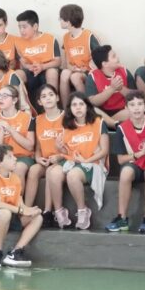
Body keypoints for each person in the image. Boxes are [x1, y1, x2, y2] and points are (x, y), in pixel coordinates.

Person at [46, 92, 109, 230]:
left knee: (73, 175)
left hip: (92, 163)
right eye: (74, 105)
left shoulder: (98, 122)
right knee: (53, 173)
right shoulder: (67, 125)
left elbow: (104, 150)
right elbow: (68, 152)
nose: (78, 107)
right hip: (73, 161)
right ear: (70, 108)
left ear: (87, 106)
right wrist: (60, 149)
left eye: (81, 104)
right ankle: (59, 212)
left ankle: (83, 211)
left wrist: (86, 160)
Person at [106, 90, 145, 234]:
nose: (136, 108)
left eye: (139, 104)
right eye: (132, 105)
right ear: (126, 108)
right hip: (136, 162)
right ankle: (121, 217)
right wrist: (137, 155)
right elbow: (120, 159)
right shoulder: (122, 128)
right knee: (125, 172)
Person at [25, 84, 64, 228]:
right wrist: (37, 158)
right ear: (39, 102)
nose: (48, 98)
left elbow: (73, 144)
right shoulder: (38, 120)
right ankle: (26, 210)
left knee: (50, 172)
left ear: (57, 98)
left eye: (51, 95)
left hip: (63, 159)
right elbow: (38, 147)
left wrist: (59, 156)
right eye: (44, 96)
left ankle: (48, 212)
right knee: (34, 170)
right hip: (46, 159)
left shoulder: (66, 117)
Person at [14, 10, 61, 111]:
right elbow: (23, 62)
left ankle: (53, 109)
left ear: (35, 26)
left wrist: (42, 67)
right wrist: (29, 67)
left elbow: (57, 61)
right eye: (19, 27)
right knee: (16, 74)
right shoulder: (18, 42)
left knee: (52, 72)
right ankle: (23, 109)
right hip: (30, 70)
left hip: (47, 68)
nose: (21, 30)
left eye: (24, 27)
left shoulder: (50, 39)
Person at [0, 85, 34, 188]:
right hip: (3, 157)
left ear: (14, 100)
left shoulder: (26, 117)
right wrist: (1, 130)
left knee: (18, 168)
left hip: (22, 157)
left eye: (5, 96)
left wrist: (10, 129)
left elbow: (30, 146)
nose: (0, 99)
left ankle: (17, 198)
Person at [59, 4, 100, 105]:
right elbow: (67, 62)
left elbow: (99, 59)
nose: (59, 20)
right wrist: (72, 68)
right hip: (76, 69)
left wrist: (84, 69)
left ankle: (86, 106)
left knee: (75, 77)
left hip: (89, 71)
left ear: (68, 22)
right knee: (64, 73)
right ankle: (66, 108)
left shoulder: (89, 36)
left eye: (61, 18)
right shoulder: (66, 37)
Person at [85, 44, 134, 128]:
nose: (118, 58)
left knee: (132, 112)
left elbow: (135, 96)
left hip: (121, 111)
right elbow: (92, 101)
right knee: (89, 110)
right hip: (102, 112)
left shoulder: (125, 72)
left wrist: (121, 88)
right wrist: (112, 89)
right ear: (105, 64)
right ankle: (113, 124)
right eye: (114, 56)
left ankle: (107, 123)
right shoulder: (93, 76)